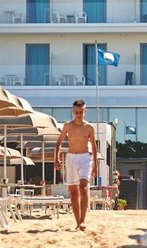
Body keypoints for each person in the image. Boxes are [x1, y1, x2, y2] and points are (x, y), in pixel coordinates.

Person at [55, 99, 98, 232]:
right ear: (73, 112)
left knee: (83, 187)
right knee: (73, 193)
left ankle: (83, 221)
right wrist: (56, 158)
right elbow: (59, 142)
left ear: (84, 112)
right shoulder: (68, 126)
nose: (79, 115)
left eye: (81, 112)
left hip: (85, 158)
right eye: (76, 112)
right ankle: (78, 222)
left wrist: (95, 164)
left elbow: (94, 146)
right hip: (71, 158)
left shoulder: (89, 127)